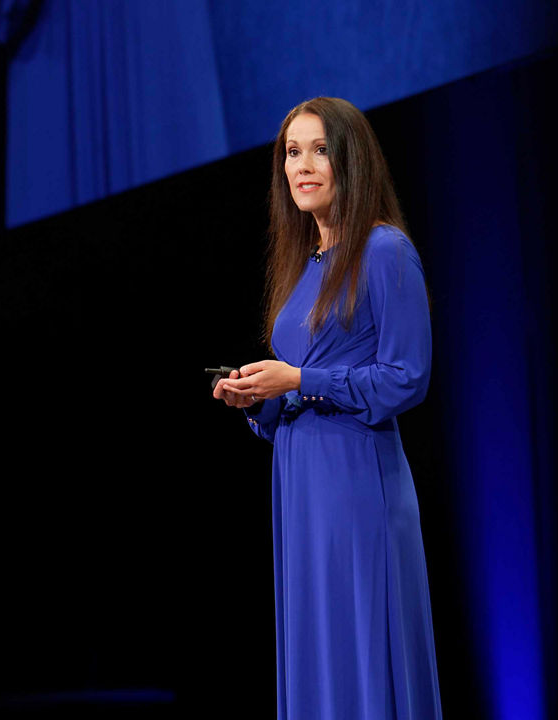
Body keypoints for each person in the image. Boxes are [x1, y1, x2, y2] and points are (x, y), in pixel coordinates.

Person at [213, 97, 442, 720]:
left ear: (352, 161)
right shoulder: (304, 264)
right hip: (301, 488)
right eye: (292, 152)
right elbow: (299, 391)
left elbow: (406, 379)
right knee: (318, 648)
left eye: (320, 150)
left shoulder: (385, 250)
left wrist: (301, 378)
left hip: (356, 484)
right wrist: (256, 397)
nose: (303, 165)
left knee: (363, 644)